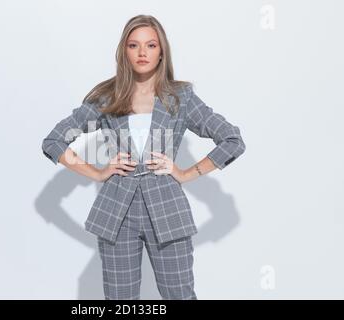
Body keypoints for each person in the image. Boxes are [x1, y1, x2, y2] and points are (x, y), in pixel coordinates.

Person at [41, 14, 246, 300]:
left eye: (151, 45)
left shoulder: (180, 98)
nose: (142, 53)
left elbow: (232, 140)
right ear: (123, 51)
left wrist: (186, 173)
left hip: (168, 211)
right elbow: (54, 141)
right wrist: (98, 173)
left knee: (180, 296)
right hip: (116, 216)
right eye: (133, 45)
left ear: (162, 52)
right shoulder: (106, 98)